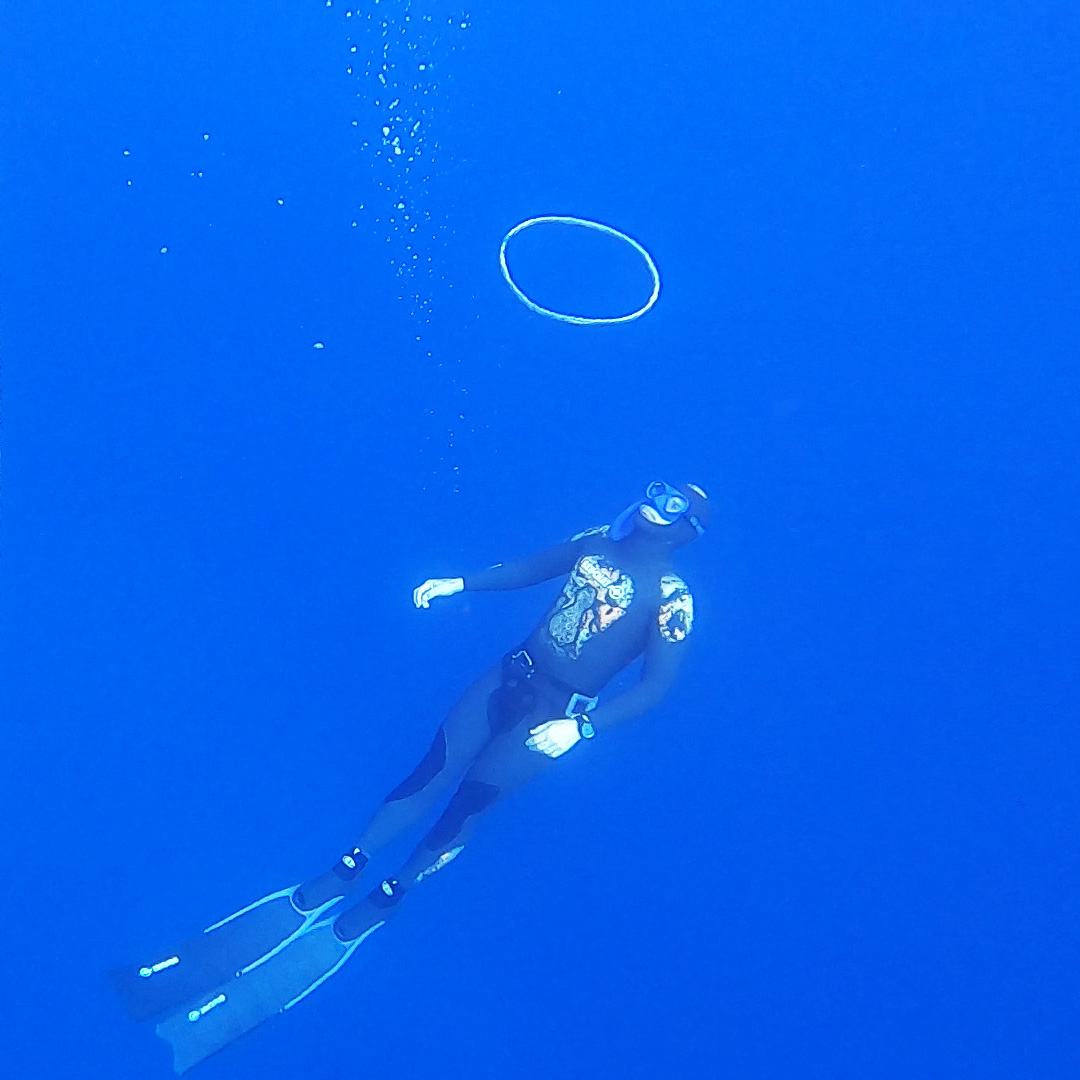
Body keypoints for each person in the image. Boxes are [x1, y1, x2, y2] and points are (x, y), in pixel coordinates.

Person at [114, 481, 711, 1073]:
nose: (655, 507)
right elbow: (532, 567)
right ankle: (347, 867)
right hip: (511, 675)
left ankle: (392, 891)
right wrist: (461, 582)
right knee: (433, 768)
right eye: (656, 492)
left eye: (673, 505)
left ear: (688, 530)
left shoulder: (673, 598)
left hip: (559, 716)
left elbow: (656, 688)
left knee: (468, 805)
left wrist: (584, 730)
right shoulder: (594, 542)